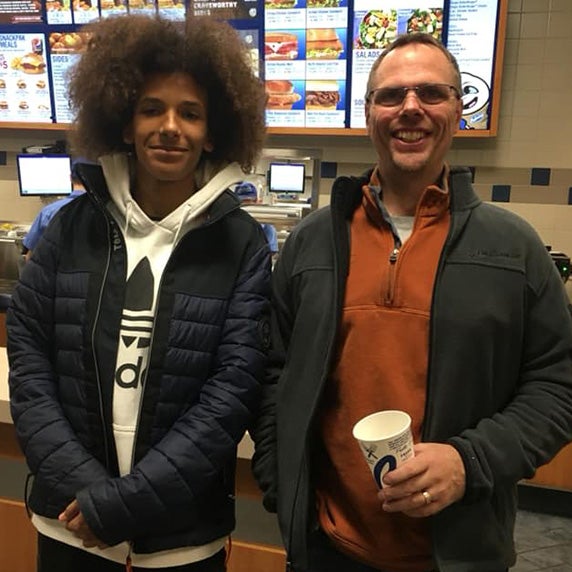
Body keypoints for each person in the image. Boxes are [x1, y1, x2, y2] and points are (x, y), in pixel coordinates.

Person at [251, 32, 572, 572]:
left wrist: (470, 462)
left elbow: (558, 383)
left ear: (459, 107)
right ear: (369, 112)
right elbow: (270, 374)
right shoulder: (312, 245)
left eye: (431, 93)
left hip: (460, 554)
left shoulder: (512, 250)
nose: (411, 109)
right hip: (327, 548)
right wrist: (284, 488)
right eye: (391, 95)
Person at [8, 13, 270, 572]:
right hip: (69, 521)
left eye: (190, 113)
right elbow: (30, 362)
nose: (170, 127)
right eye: (152, 109)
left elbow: (232, 391)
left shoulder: (242, 243)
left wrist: (129, 504)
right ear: (124, 124)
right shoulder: (69, 228)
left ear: (213, 131)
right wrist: (91, 495)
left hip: (180, 536)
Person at [22, 159, 86, 261]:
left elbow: (31, 254)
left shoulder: (48, 212)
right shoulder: (102, 210)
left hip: (55, 273)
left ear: (70, 178)